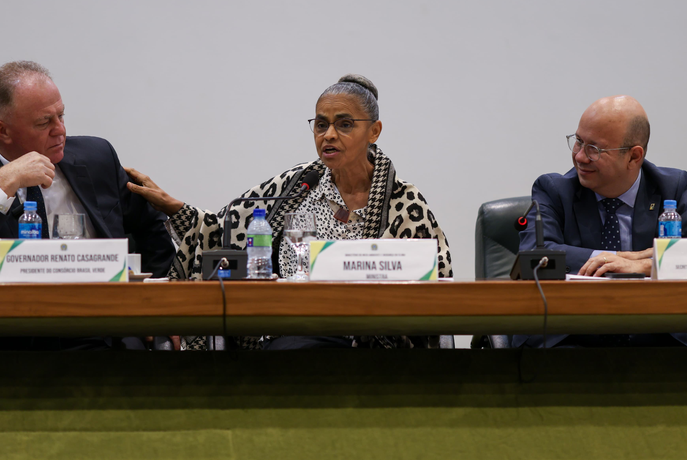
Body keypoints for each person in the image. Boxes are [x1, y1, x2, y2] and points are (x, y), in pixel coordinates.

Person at [127, 74, 452, 350]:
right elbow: (224, 229)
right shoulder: (297, 185)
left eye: (345, 124)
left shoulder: (403, 201)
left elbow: (435, 282)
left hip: (368, 342)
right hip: (287, 332)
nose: (329, 135)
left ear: (374, 131)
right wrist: (174, 206)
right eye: (321, 125)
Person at [0, 61, 175, 349]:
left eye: (61, 116)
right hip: (11, 336)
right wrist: (2, 185)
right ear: (3, 131)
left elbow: (151, 231)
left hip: (105, 327)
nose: (60, 130)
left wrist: (158, 310)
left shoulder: (97, 157)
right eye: (44, 122)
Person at [515, 95, 687, 348]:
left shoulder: (671, 188)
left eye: (595, 149)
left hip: (658, 335)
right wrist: (616, 257)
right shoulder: (554, 189)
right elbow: (536, 253)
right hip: (571, 336)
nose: (580, 157)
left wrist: (643, 266)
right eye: (578, 141)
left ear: (633, 156)